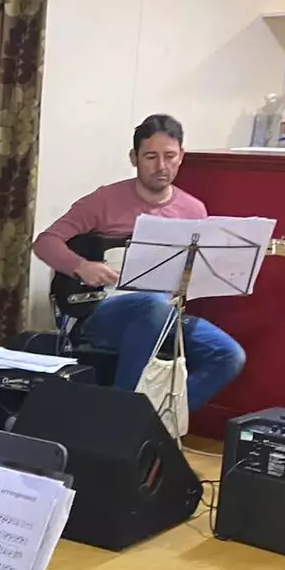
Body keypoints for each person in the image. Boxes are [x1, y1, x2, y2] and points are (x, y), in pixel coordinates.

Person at [33, 113, 246, 413]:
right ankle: (120, 412)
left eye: (170, 156)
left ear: (181, 156)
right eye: (150, 157)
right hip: (101, 311)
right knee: (152, 305)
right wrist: (82, 266)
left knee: (228, 355)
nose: (161, 166)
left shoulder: (193, 209)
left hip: (164, 313)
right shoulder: (104, 200)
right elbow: (46, 242)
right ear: (134, 158)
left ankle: (150, 423)